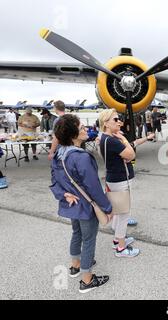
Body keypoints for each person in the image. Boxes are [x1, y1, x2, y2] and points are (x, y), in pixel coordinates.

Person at [50, 114, 112, 293]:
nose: (86, 129)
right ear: (72, 134)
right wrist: (107, 208)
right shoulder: (81, 157)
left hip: (71, 205)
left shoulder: (59, 154)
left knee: (76, 233)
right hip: (85, 206)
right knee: (89, 239)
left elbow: (54, 181)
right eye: (82, 128)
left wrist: (63, 195)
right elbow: (93, 187)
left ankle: (75, 265)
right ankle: (87, 280)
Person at [98, 109, 154, 257]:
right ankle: (120, 248)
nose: (119, 122)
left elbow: (130, 151)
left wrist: (125, 143)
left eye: (118, 119)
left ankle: (117, 240)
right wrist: (123, 141)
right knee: (123, 214)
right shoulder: (112, 140)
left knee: (119, 211)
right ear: (106, 123)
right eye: (115, 120)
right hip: (120, 179)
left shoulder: (106, 138)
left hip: (115, 179)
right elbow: (131, 154)